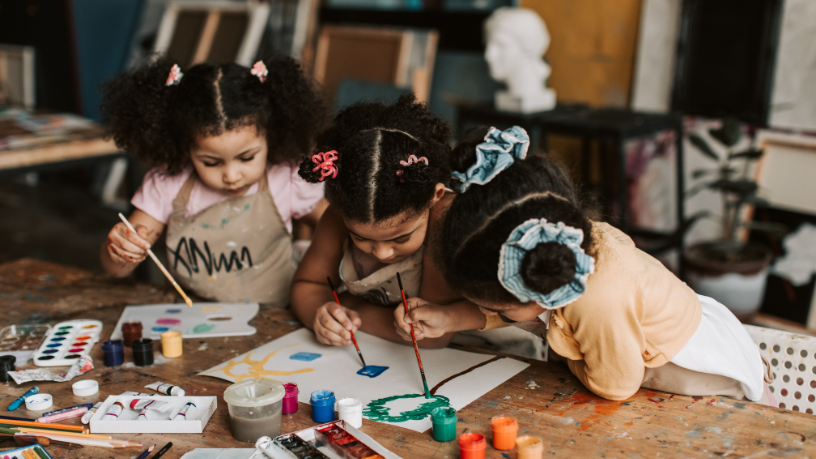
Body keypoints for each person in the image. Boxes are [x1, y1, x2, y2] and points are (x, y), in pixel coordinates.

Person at [397, 126, 775, 404]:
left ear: (539, 286)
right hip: (636, 354)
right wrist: (448, 319)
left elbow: (616, 385)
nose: (493, 313)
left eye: (498, 309)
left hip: (703, 382)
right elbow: (521, 312)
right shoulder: (560, 244)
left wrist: (566, 356)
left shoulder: (599, 299)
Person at [99, 56, 328, 305]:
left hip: (276, 318)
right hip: (194, 320)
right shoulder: (168, 186)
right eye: (211, 162)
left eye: (247, 157)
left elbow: (334, 224)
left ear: (271, 138)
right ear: (186, 149)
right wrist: (120, 254)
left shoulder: (285, 178)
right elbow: (116, 271)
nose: (231, 176)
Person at [291, 95, 485, 348]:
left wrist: (350, 304)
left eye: (401, 237)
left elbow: (429, 339)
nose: (382, 252)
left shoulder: (445, 221)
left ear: (435, 196)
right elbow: (307, 285)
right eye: (360, 237)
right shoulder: (340, 217)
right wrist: (321, 314)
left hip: (471, 349)